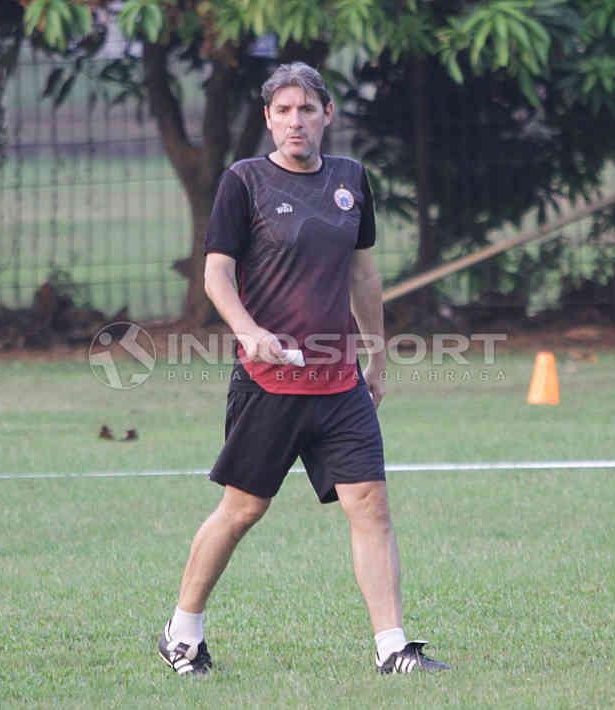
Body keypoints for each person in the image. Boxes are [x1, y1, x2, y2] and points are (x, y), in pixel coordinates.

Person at [156, 62, 448, 676]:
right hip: (270, 381)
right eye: (284, 110)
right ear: (268, 118)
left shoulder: (350, 181)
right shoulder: (245, 181)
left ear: (327, 116)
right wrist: (248, 331)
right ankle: (182, 631)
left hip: (339, 380)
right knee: (242, 510)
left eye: (307, 109)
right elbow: (216, 273)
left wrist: (375, 353)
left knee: (370, 504)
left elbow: (363, 274)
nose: (296, 121)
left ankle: (392, 647)